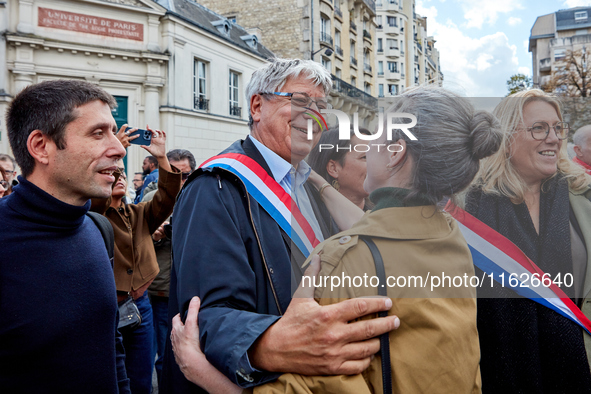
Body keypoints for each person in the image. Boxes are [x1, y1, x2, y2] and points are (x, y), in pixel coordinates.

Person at [172, 86, 500, 393]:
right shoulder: (449, 234)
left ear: (396, 152)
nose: (368, 143)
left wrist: (200, 371)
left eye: (376, 133)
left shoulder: (342, 260)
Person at [161, 58, 399, 393]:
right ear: (257, 106)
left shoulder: (306, 185)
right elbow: (207, 320)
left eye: (321, 106)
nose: (314, 115)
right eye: (300, 101)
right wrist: (284, 341)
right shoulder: (215, 187)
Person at [0, 79, 130, 393]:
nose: (119, 148)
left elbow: (111, 347)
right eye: (98, 133)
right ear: (41, 147)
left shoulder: (98, 231)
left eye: (113, 131)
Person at [465, 89, 591, 392]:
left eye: (557, 128)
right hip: (495, 374)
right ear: (506, 136)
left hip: (581, 367)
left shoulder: (583, 196)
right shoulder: (469, 206)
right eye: (539, 128)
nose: (553, 138)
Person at [91, 128, 182, 394]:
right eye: (113, 174)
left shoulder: (139, 212)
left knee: (142, 378)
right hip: (108, 306)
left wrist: (162, 158)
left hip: (141, 304)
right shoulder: (95, 212)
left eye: (122, 174)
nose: (119, 177)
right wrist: (113, 151)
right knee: (113, 378)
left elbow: (167, 196)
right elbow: (94, 198)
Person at [142, 148, 197, 385]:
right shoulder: (149, 199)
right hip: (151, 287)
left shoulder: (198, 198)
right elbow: (131, 247)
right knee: (148, 356)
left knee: (172, 355)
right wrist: (152, 237)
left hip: (184, 288)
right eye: (172, 173)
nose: (180, 180)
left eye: (185, 175)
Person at [308, 126, 372, 212]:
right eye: (364, 157)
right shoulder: (310, 217)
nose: (376, 164)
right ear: (333, 168)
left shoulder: (383, 215)